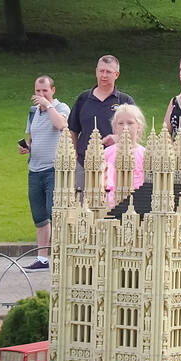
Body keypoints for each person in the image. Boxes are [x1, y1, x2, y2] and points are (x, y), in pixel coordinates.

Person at [19, 75, 70, 270]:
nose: (40, 95)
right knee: (39, 215)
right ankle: (42, 258)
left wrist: (48, 105)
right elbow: (32, 138)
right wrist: (27, 148)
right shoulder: (33, 112)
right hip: (34, 169)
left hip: (53, 169)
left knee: (54, 212)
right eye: (38, 91)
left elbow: (62, 126)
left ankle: (60, 255)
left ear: (53, 90)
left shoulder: (61, 108)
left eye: (45, 91)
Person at [67, 55, 134, 193]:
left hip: (115, 165)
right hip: (83, 164)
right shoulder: (83, 99)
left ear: (117, 75)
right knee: (80, 207)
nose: (104, 75)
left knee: (110, 209)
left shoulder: (124, 100)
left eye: (108, 72)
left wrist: (118, 139)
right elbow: (72, 129)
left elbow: (135, 131)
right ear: (96, 71)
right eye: (101, 71)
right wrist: (74, 156)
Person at [104, 103, 147, 209]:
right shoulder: (107, 153)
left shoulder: (145, 154)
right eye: (121, 123)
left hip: (138, 205)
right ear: (115, 127)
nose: (125, 127)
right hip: (112, 205)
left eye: (130, 123)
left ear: (139, 127)